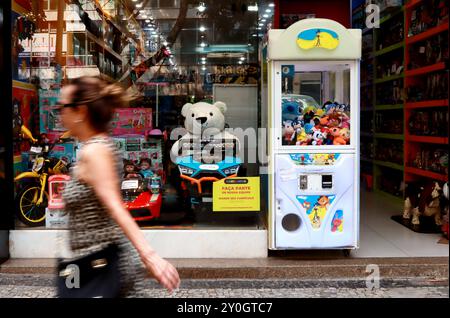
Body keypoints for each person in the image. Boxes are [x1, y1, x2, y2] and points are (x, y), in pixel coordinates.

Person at [60, 76, 180, 297]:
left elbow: (115, 207)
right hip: (89, 264)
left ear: (81, 112)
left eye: (63, 107)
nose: (60, 113)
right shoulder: (95, 146)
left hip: (102, 266)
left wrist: (149, 256)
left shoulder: (95, 150)